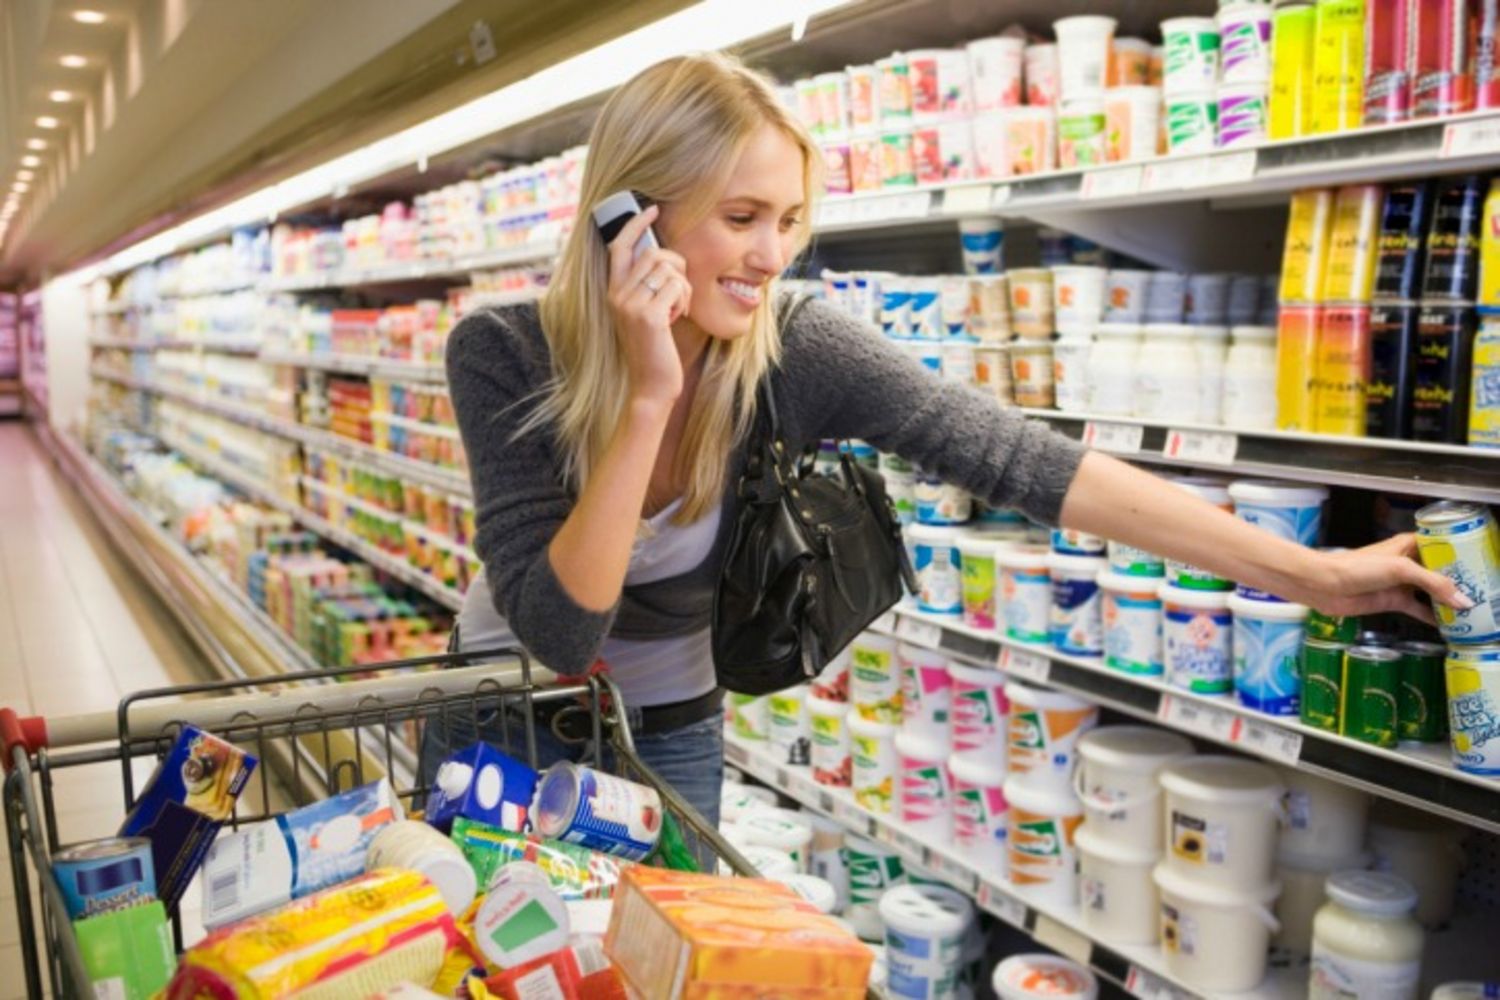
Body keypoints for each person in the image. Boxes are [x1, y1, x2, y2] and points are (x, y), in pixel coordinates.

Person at [422, 52, 1466, 827]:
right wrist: (650, 393)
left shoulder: (795, 349)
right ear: (631, 218)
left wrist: (1312, 574)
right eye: (742, 216)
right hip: (506, 718)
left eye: (788, 220)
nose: (771, 254)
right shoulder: (504, 352)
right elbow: (561, 630)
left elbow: (1023, 462)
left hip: (677, 727)